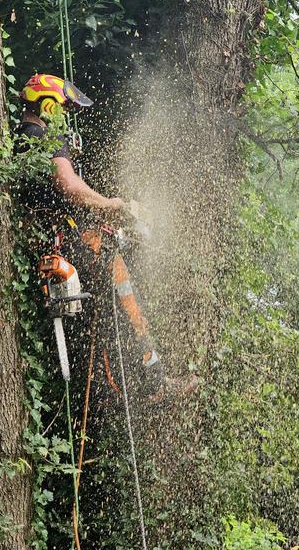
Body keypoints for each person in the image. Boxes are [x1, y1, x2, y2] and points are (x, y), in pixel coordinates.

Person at [14, 73, 197, 401]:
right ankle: (152, 382)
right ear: (48, 105)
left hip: (53, 242)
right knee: (123, 296)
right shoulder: (41, 135)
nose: (65, 117)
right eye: (63, 108)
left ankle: (116, 387)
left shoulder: (23, 136)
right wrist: (113, 205)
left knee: (105, 313)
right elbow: (69, 187)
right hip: (66, 243)